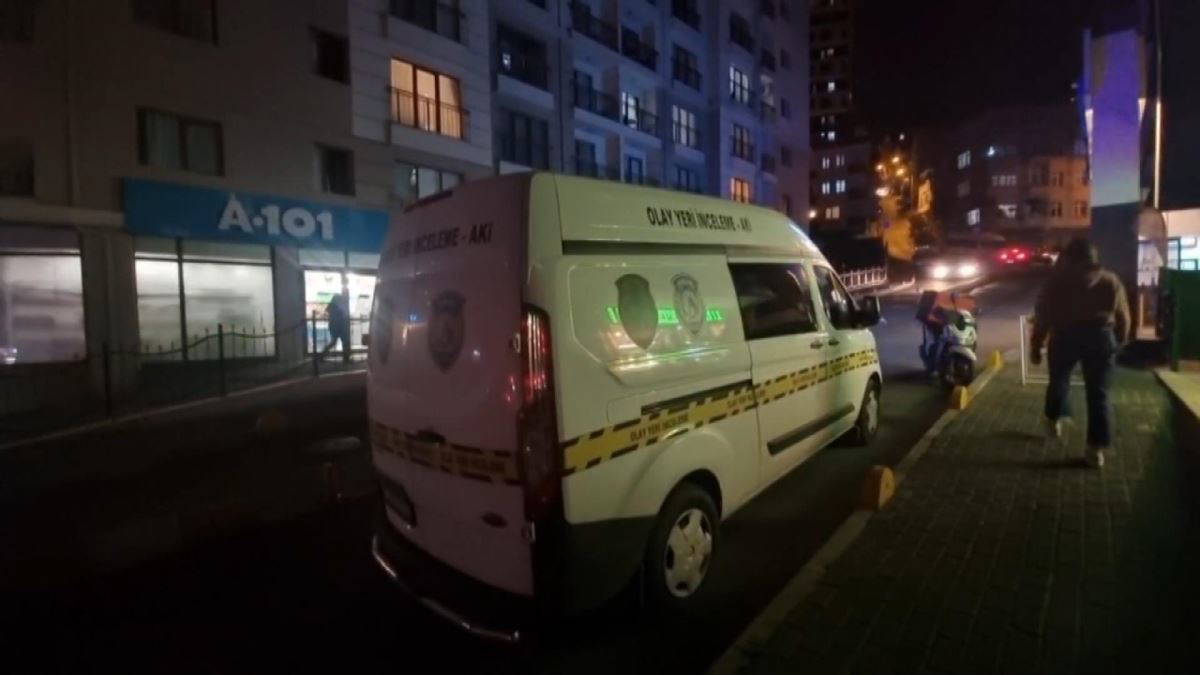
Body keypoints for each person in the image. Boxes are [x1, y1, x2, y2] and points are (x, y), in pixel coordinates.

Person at [1030, 237, 1131, 468]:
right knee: (1099, 394)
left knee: (1058, 380)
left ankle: (1054, 419)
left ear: (1069, 258)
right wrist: (1120, 341)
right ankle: (1096, 450)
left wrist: (1036, 345)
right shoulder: (1110, 280)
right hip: (1100, 337)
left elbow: (1043, 317)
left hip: (1064, 336)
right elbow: (1123, 315)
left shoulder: (1056, 283)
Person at [321, 292, 351, 359]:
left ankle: (322, 355)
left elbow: (327, 313)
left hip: (334, 326)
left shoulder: (331, 306)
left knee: (334, 342)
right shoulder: (339, 306)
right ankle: (346, 358)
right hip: (340, 326)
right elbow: (343, 316)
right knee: (344, 342)